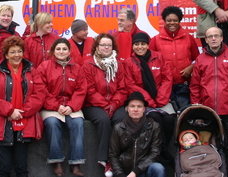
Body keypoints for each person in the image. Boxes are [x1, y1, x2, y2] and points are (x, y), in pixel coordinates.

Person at [190, 26, 228, 177]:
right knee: (210, 149)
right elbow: (195, 87)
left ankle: (222, 172)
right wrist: (198, 110)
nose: (213, 39)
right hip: (208, 113)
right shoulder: (200, 59)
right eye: (210, 36)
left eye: (216, 35)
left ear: (222, 38)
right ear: (206, 40)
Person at [0, 36, 46, 177]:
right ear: (6, 55)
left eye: (19, 51)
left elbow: (39, 94)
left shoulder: (32, 71)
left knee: (22, 168)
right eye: (12, 52)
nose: (17, 55)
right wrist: (10, 111)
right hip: (1, 125)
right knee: (4, 169)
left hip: (24, 123)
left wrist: (23, 111)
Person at [37, 38, 87, 177]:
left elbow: (81, 90)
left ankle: (76, 162)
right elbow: (42, 90)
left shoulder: (77, 68)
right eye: (58, 49)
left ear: (69, 51)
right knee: (52, 123)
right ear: (53, 51)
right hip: (51, 106)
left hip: (72, 106)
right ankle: (56, 161)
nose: (61, 52)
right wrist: (55, 106)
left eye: (64, 49)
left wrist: (71, 106)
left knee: (78, 124)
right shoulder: (44, 66)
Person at [82, 33, 129, 177]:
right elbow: (89, 89)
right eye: (103, 45)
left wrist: (113, 105)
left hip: (115, 103)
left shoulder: (119, 65)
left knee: (121, 119)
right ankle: (105, 159)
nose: (106, 47)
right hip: (93, 104)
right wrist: (104, 104)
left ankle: (120, 157)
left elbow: (122, 89)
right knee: (102, 120)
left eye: (109, 45)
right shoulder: (88, 64)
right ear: (97, 46)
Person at [124, 32, 175, 157]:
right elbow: (130, 84)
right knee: (154, 117)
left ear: (148, 45)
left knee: (170, 119)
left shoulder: (159, 57)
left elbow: (167, 78)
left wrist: (161, 98)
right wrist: (148, 100)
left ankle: (164, 147)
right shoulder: (129, 62)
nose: (140, 47)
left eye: (143, 44)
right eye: (136, 44)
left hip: (161, 98)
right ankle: (161, 150)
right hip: (142, 100)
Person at [149, 6, 199, 112]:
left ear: (180, 21)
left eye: (175, 20)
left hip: (184, 85)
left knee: (184, 114)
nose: (172, 23)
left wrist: (191, 67)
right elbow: (150, 63)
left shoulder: (189, 38)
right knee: (168, 116)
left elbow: (198, 59)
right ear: (164, 21)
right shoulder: (155, 40)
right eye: (169, 20)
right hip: (164, 87)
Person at [108, 91, 165, 177]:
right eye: (132, 106)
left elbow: (155, 154)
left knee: (158, 168)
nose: (135, 109)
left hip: (144, 170)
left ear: (144, 109)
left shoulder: (154, 126)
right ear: (127, 108)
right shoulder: (118, 128)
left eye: (139, 106)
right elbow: (113, 155)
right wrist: (120, 174)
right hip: (125, 172)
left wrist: (136, 172)